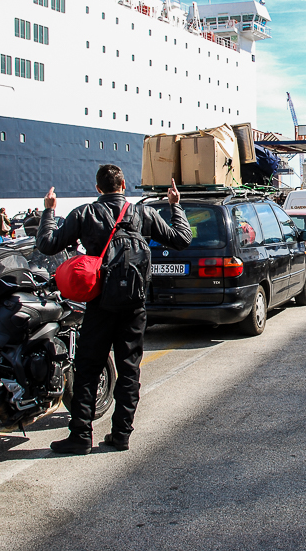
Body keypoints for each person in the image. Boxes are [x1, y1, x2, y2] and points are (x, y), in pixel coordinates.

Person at [37, 165, 191, 454]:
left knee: (87, 369)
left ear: (98, 189)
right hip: (134, 304)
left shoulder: (85, 213)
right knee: (129, 370)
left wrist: (49, 211)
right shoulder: (141, 213)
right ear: (123, 185)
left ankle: (81, 436)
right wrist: (175, 206)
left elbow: (48, 244)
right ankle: (121, 435)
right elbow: (182, 239)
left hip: (99, 303)